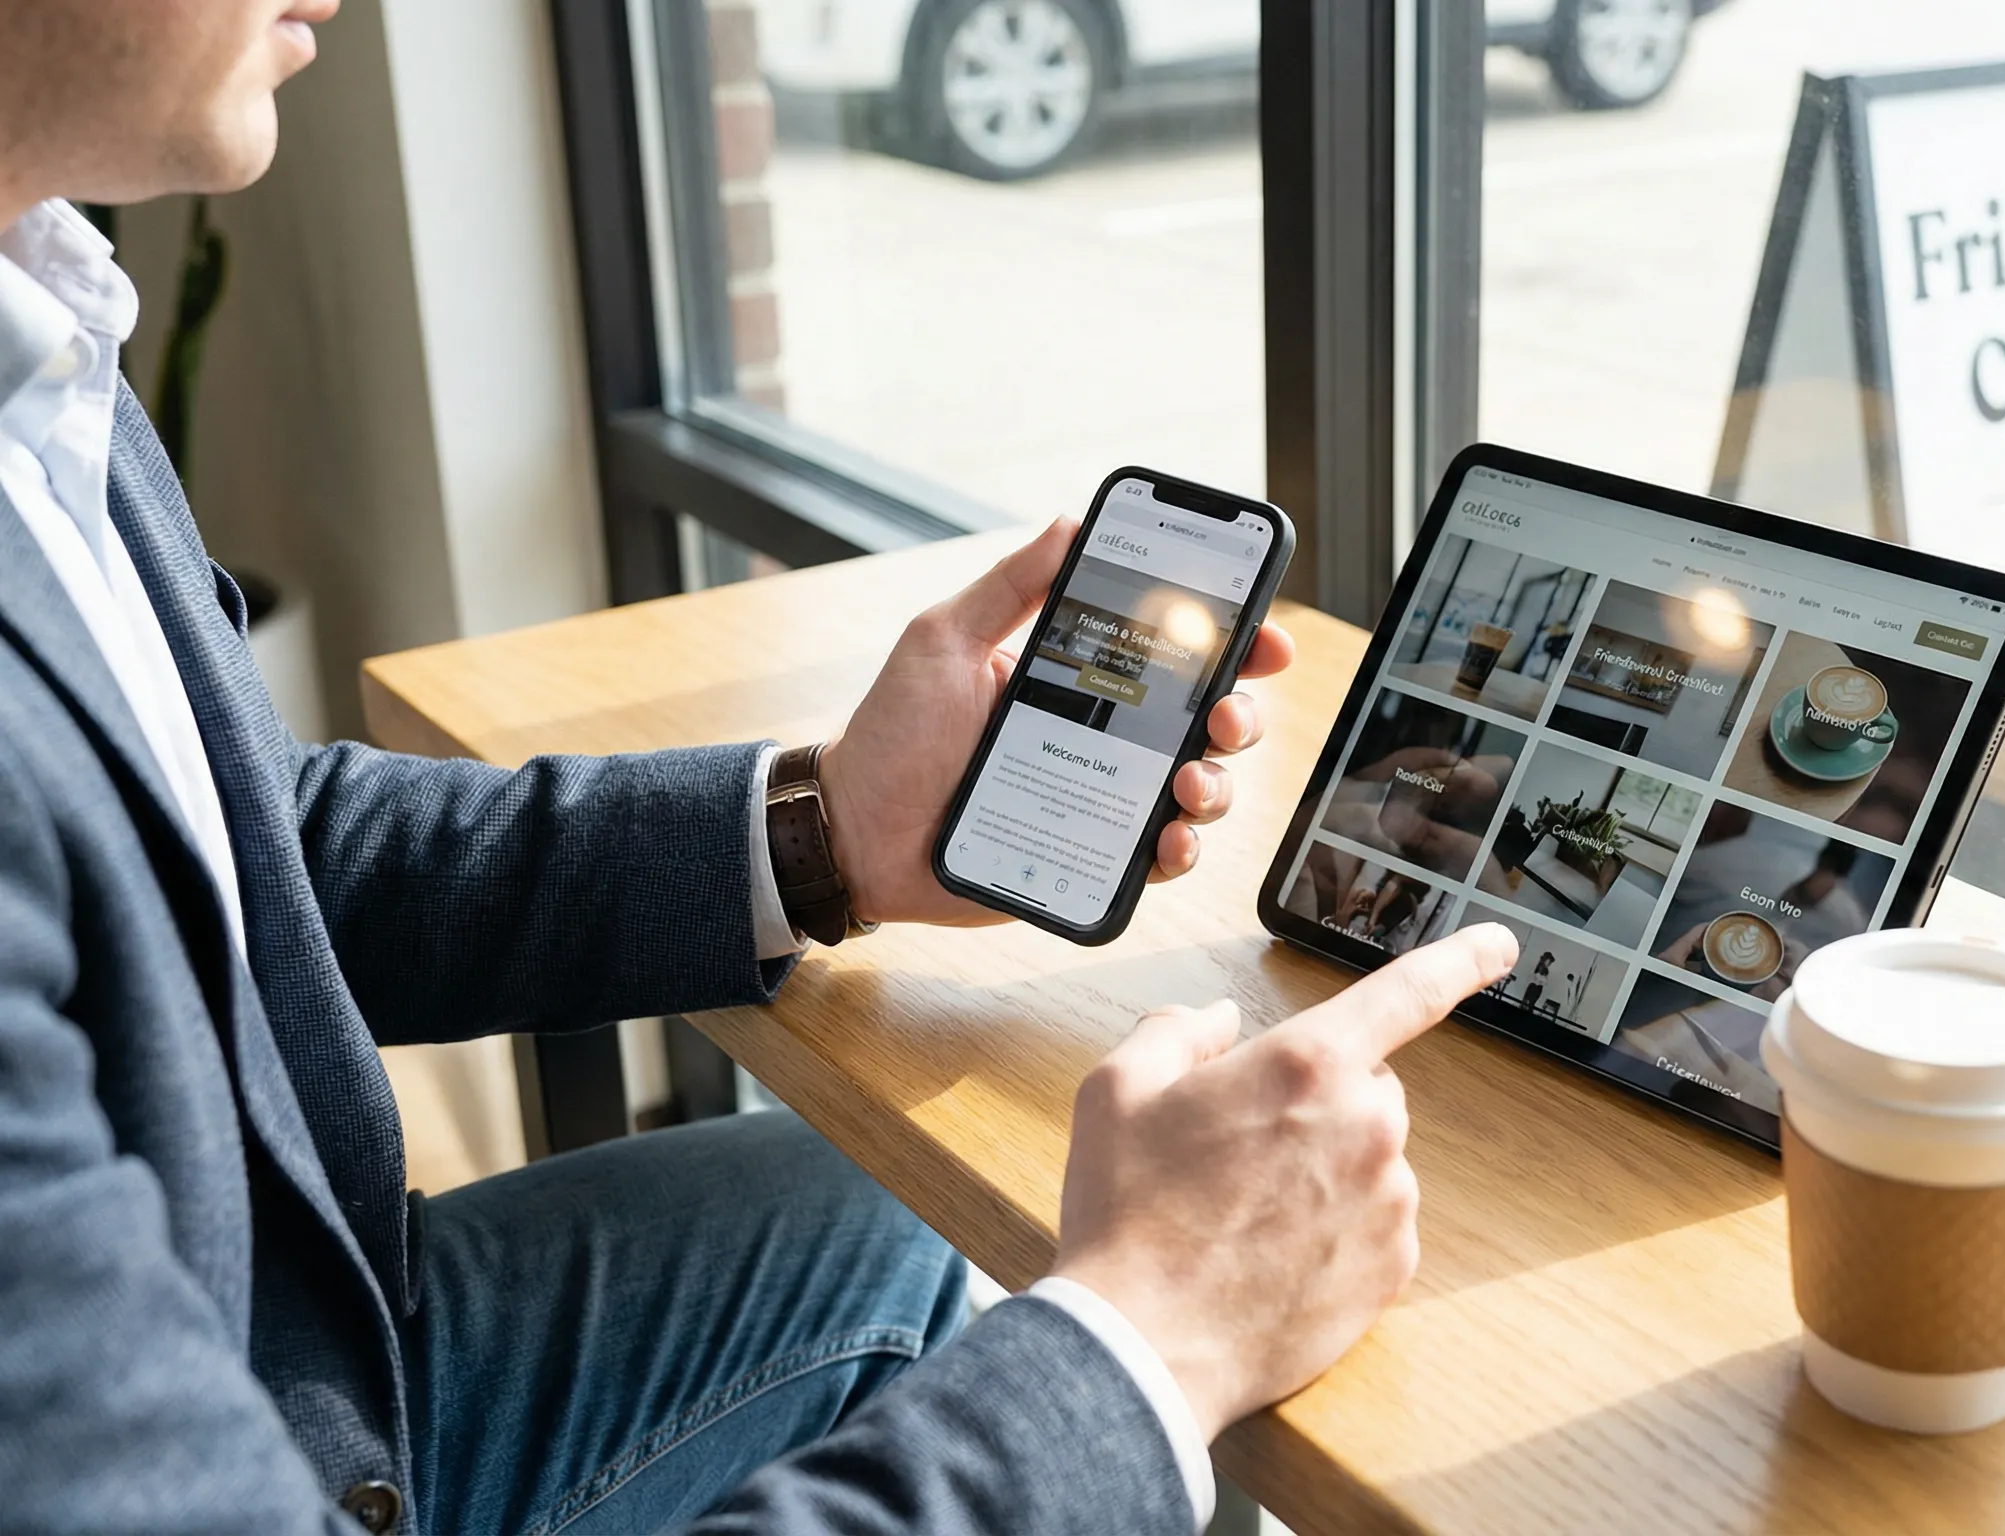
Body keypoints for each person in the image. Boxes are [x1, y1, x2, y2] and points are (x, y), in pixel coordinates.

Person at [0, 3, 1518, 1531]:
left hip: (276, 1330)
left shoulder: (40, 331)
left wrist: (829, 836)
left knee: (881, 1217)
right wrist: (1153, 1342)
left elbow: (254, 856)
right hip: (263, 1429)